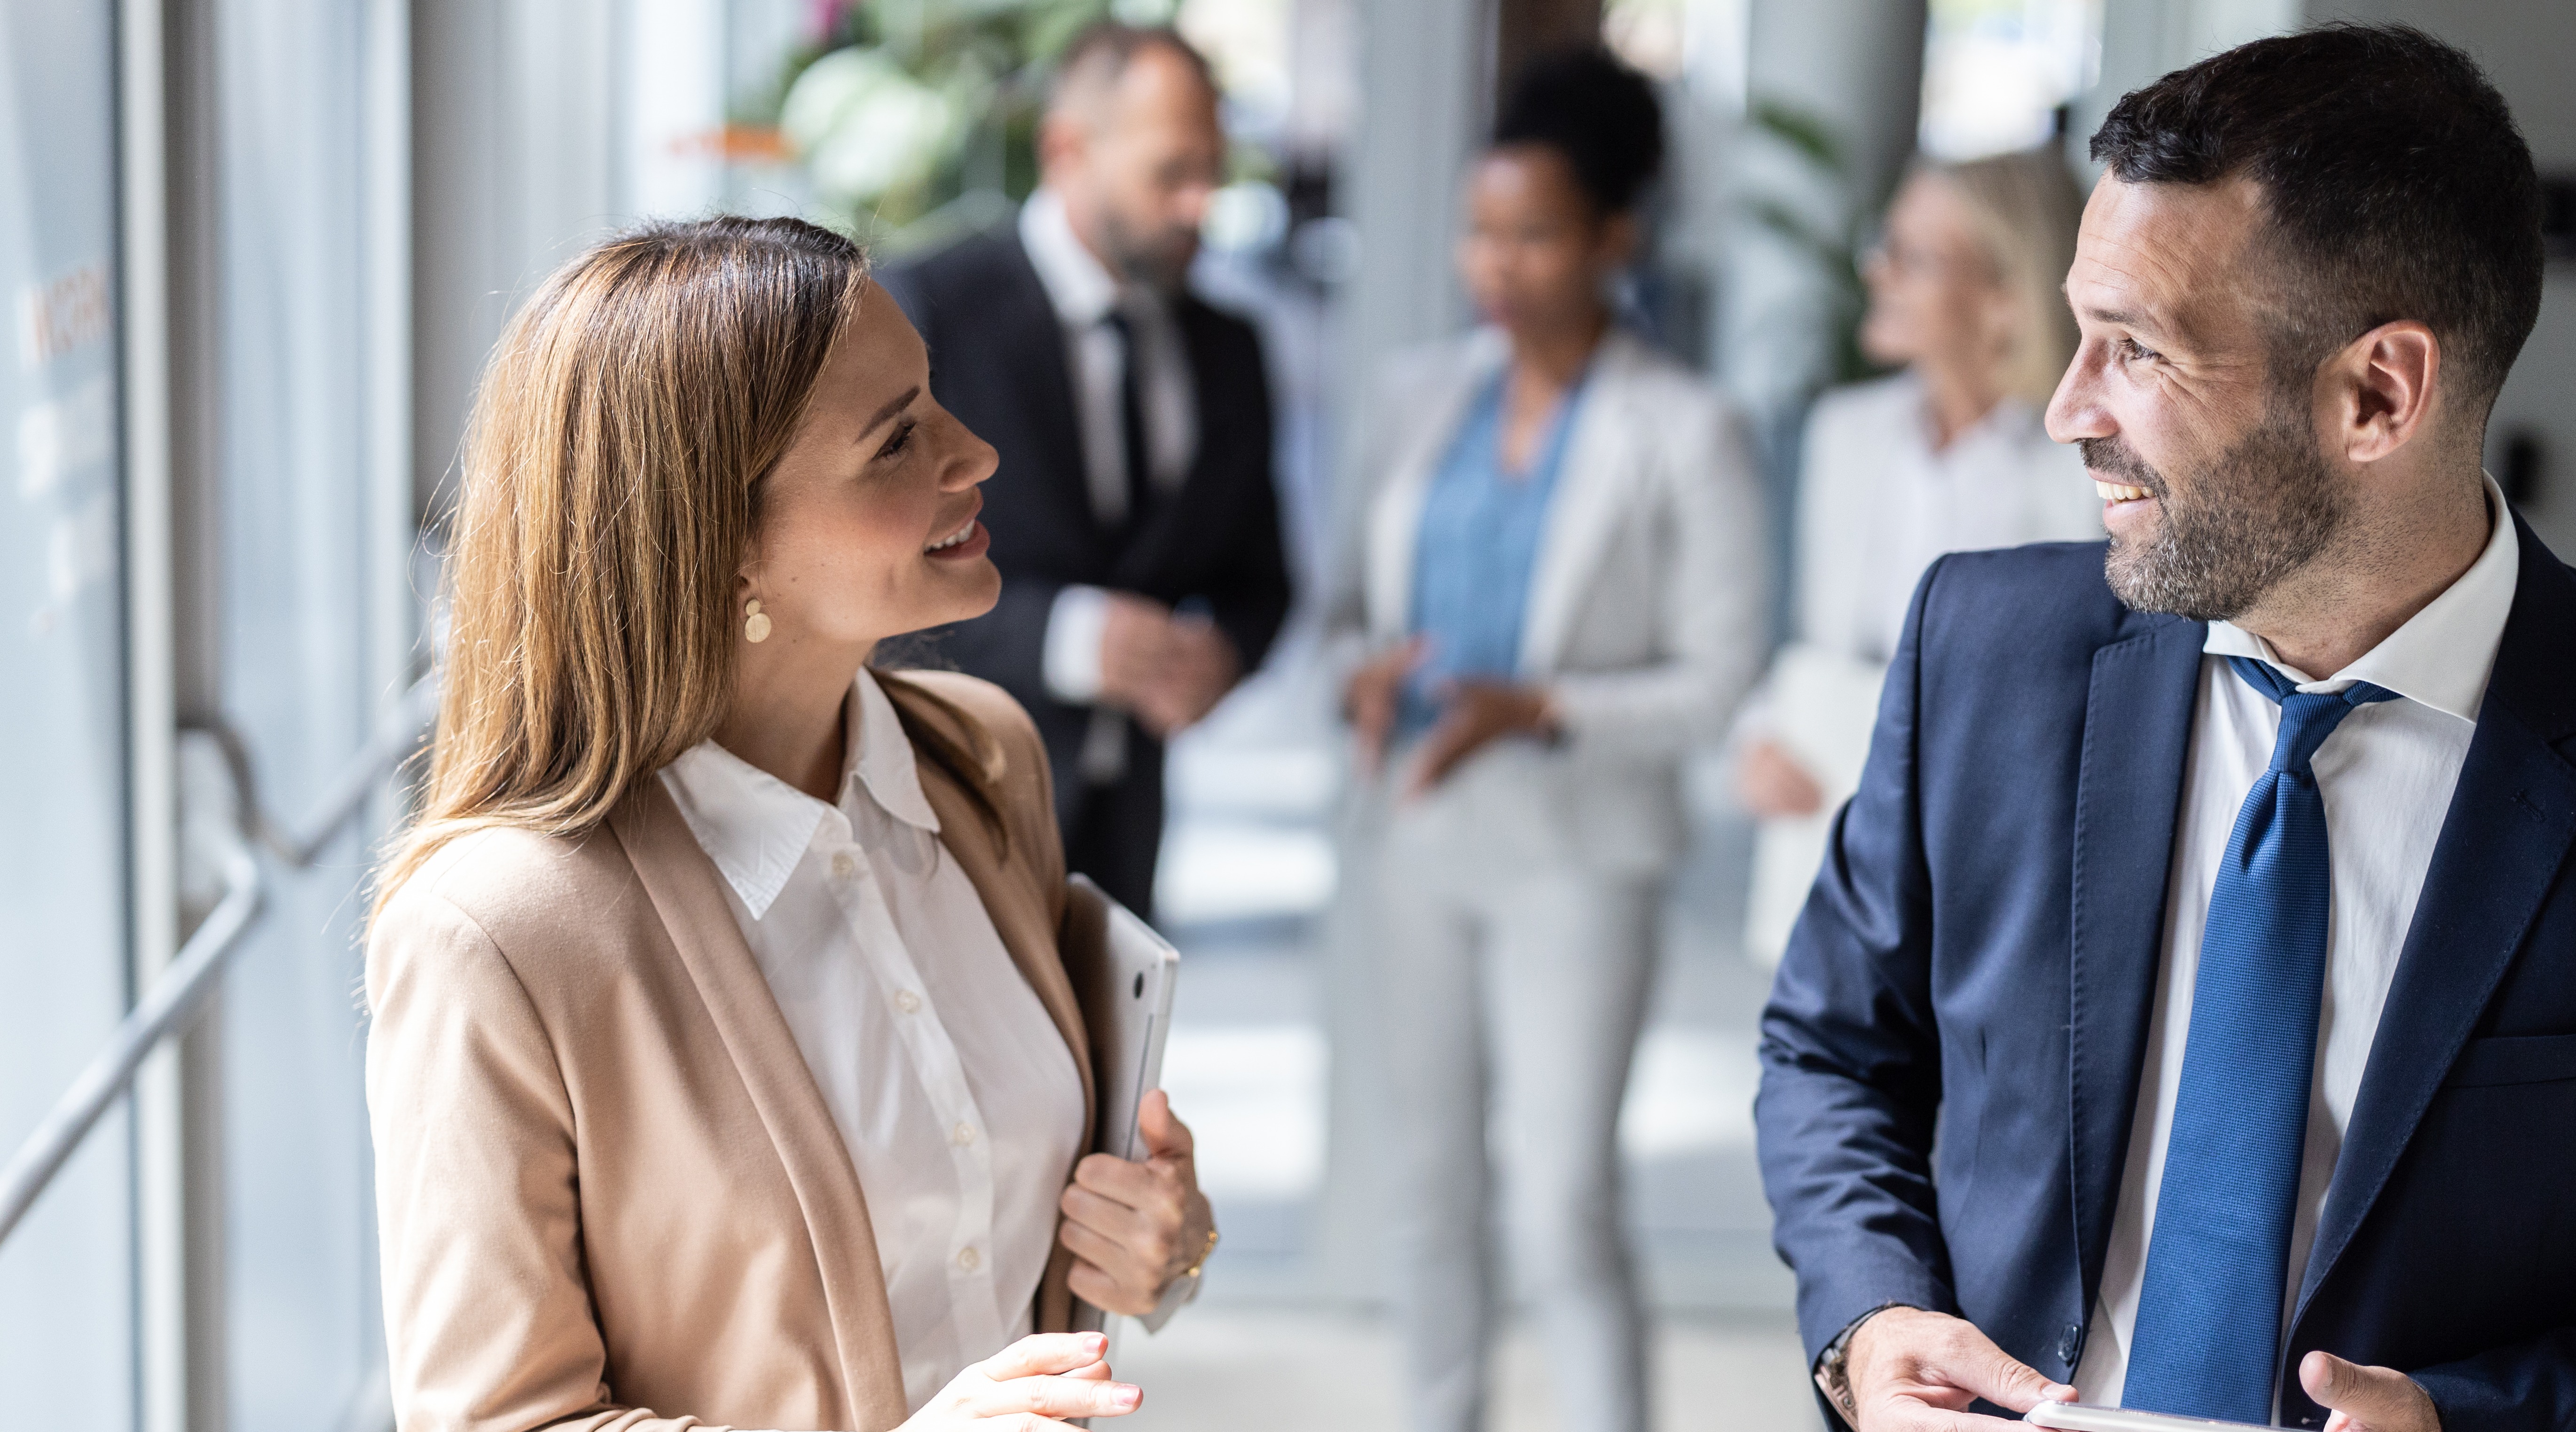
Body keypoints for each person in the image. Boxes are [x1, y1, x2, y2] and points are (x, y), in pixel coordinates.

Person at [1757, 24, 2576, 1432]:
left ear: (2378, 393)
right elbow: (1831, 1052)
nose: (2066, 408)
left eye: (2138, 352)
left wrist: (2466, 1418)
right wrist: (1871, 1324)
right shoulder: (1981, 653)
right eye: (2078, 333)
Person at [366, 217, 1221, 1432]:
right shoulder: (497, 934)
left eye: (937, 403)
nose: (974, 453)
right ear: (719, 548)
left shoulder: (985, 759)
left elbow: (1035, 1257)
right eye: (896, 443)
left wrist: (1154, 1243)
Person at [1325, 46, 1765, 1432]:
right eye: (1480, 231)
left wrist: (1545, 706)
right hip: (1418, 836)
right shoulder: (1416, 400)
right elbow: (1344, 609)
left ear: (1612, 240)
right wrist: (1362, 675)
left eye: (1534, 234)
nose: (1496, 264)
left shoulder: (1686, 430)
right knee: (1429, 1185)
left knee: (1564, 1199)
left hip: (1579, 857)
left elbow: (1719, 680)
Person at [879, 23, 1292, 922]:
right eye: (1170, 173)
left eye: (1212, 173)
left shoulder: (1230, 348)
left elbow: (1264, 577)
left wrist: (1222, 653)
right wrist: (1064, 639)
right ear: (1066, 150)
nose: (1199, 206)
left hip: (1129, 831)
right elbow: (855, 584)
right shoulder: (921, 308)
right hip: (946, 816)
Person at [1734, 146, 2101, 960]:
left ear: (2006, 296)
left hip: (1996, 867)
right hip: (1833, 838)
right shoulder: (1844, 434)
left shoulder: (2082, 467)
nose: (1877, 273)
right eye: (1884, 245)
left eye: (1914, 257)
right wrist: (1760, 733)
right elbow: (1820, 648)